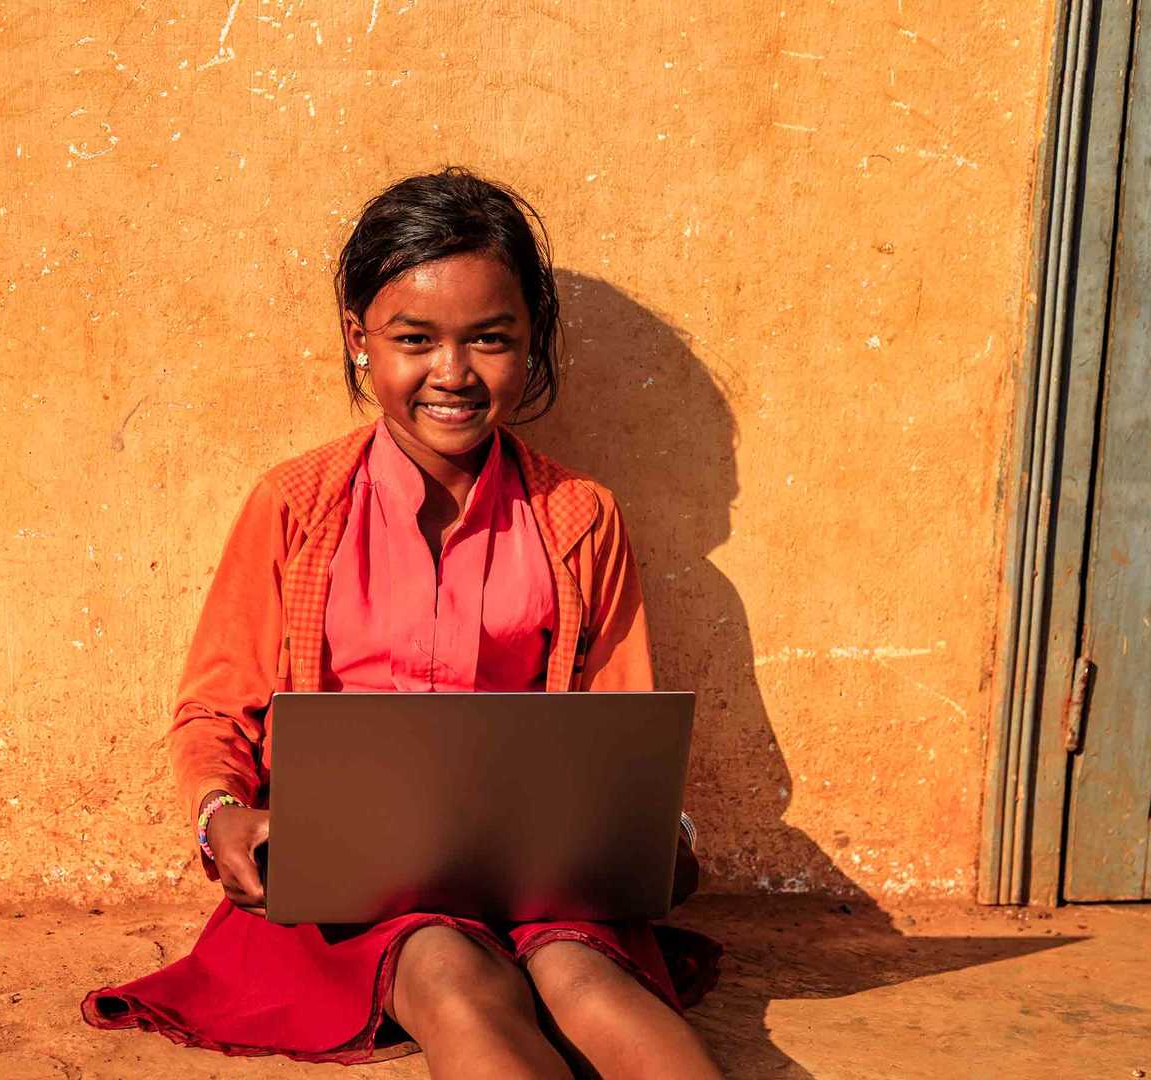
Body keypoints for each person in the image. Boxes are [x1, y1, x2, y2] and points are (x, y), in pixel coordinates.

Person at [81, 166, 722, 1079]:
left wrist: (663, 839)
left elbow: (622, 732)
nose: (452, 375)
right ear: (360, 340)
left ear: (531, 343)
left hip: (538, 875)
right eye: (414, 339)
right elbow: (213, 714)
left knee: (589, 982)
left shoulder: (580, 517)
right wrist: (223, 816)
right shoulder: (298, 509)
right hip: (356, 888)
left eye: (490, 339)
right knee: (448, 976)